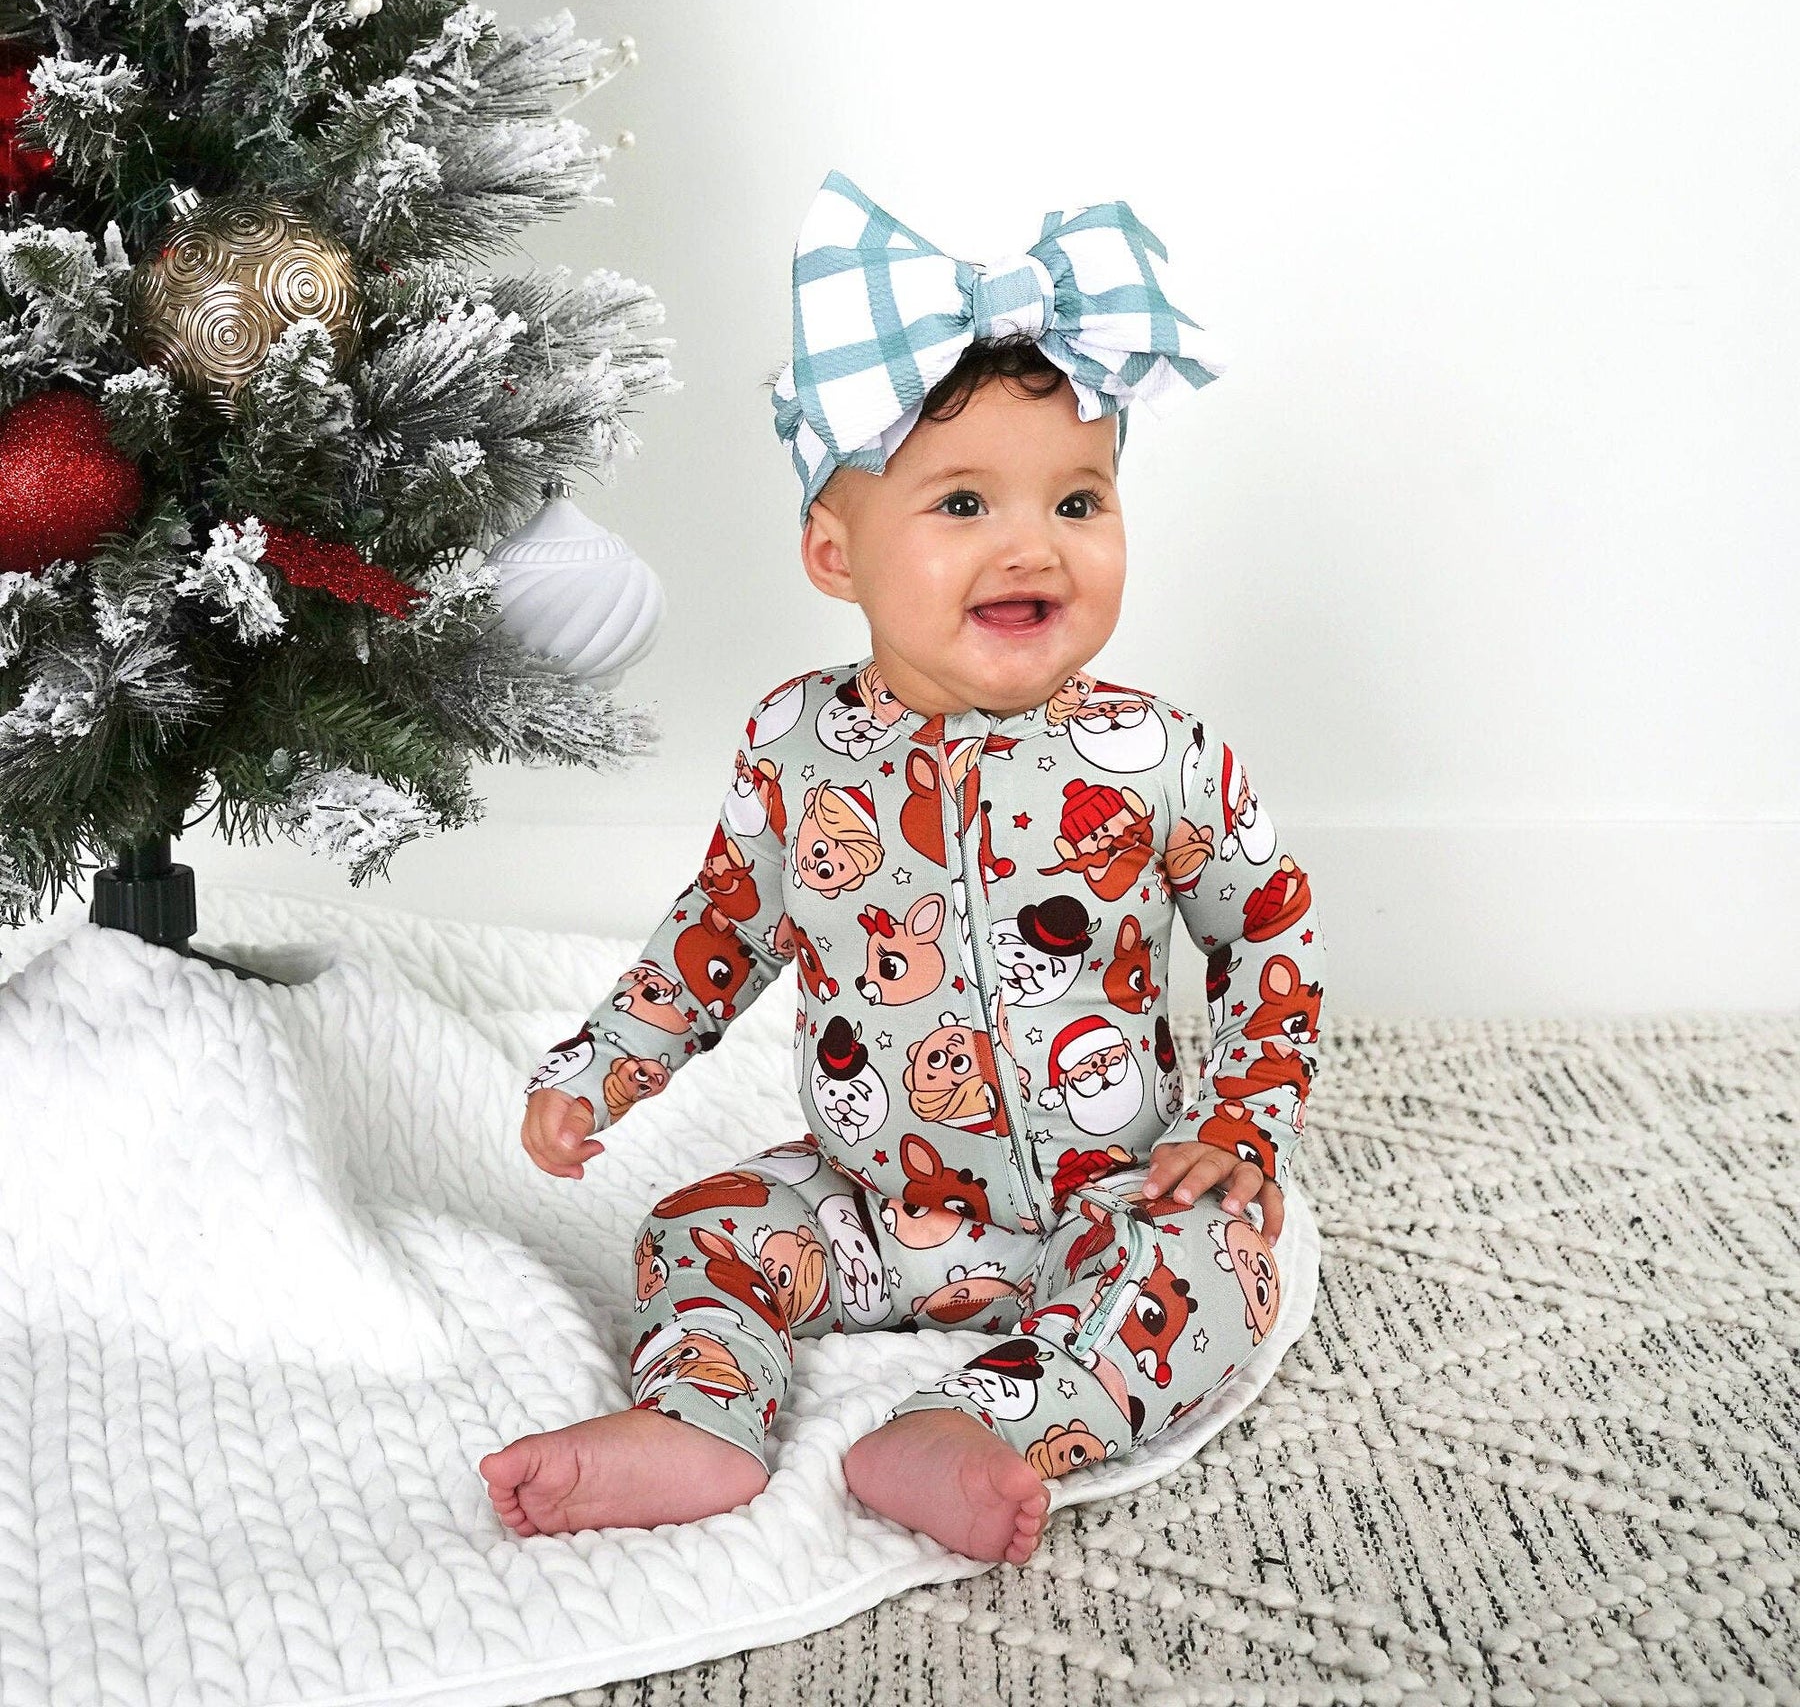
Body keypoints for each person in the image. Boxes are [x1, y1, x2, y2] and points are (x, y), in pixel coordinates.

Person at [479, 170, 1326, 1566]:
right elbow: (720, 928)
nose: (1031, 544)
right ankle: (699, 1417)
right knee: (696, 1230)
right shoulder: (796, 747)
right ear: (836, 552)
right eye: (963, 503)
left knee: (1223, 1264)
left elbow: (1269, 932)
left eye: (1079, 499)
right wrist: (603, 1066)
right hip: (875, 1206)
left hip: (1106, 1205)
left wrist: (1239, 1124)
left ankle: (976, 1423)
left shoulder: (1159, 757)